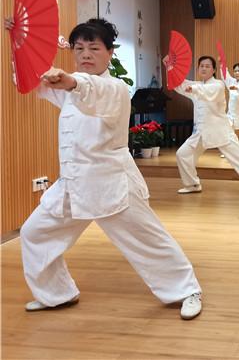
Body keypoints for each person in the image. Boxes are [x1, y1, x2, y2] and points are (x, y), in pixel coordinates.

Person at [9, 18, 202, 320]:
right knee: (35, 233)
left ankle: (187, 290)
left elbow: (91, 91)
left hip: (112, 183)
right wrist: (21, 39)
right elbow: (33, 78)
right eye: (79, 48)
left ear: (110, 53)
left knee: (148, 239)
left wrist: (71, 82)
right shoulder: (69, 86)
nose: (85, 54)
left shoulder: (116, 88)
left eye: (94, 48)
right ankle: (57, 294)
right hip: (73, 183)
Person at [168, 55, 239, 200]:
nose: (204, 68)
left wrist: (194, 88)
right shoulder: (197, 85)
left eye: (207, 66)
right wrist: (169, 67)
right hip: (201, 133)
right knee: (182, 154)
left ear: (214, 70)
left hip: (221, 132)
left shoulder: (218, 85)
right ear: (197, 69)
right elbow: (179, 84)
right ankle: (192, 184)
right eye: (201, 66)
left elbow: (207, 91)